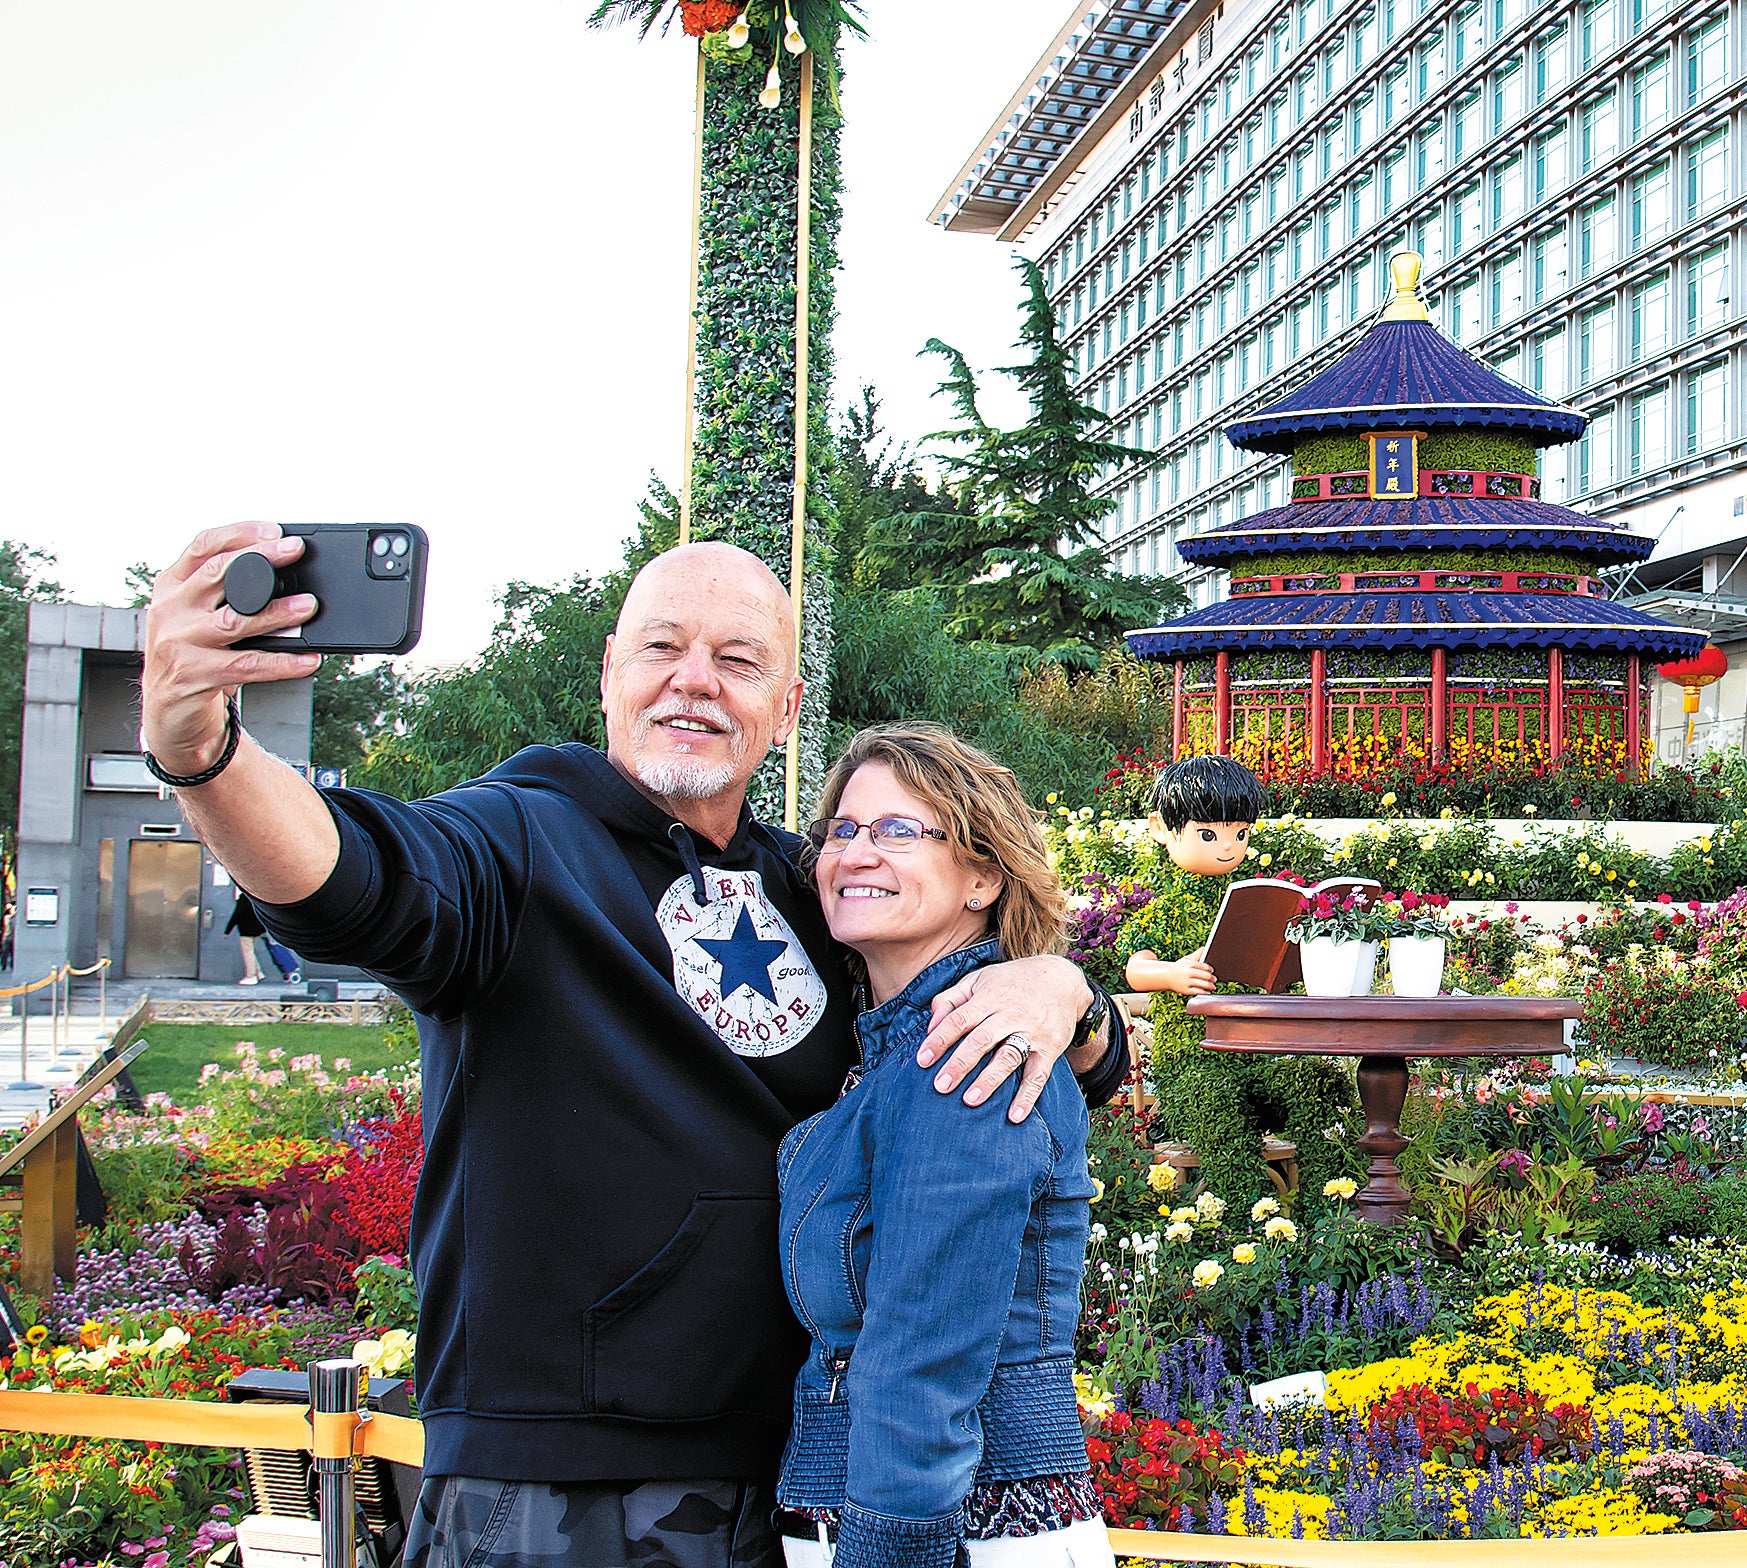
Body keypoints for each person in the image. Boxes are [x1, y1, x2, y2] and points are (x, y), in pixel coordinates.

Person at [136, 524, 1129, 1568]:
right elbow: (351, 878)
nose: (694, 683)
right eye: (662, 648)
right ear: (610, 673)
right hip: (562, 1487)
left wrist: (1063, 988)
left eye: (738, 661)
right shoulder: (512, 845)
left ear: (786, 709)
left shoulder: (817, 885)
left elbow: (1062, 1064)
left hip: (798, 1480)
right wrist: (203, 750)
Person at [777, 725, 1102, 1568]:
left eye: (897, 831)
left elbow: (923, 1362)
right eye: (842, 831)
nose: (857, 853)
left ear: (984, 877)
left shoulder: (963, 1050)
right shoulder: (902, 1047)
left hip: (949, 1529)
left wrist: (889, 1551)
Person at [1113, 756, 1348, 1206]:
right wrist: (1174, 974)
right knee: (1218, 1102)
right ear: (1162, 829)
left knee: (1312, 1083)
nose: (1228, 846)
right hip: (1194, 1061)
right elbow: (1135, 969)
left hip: (1256, 1052)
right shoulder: (1162, 909)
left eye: (1239, 834)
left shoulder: (1247, 902)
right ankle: (1247, 1214)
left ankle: (1328, 1207)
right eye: (1209, 834)